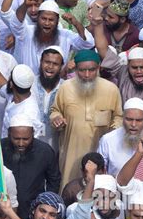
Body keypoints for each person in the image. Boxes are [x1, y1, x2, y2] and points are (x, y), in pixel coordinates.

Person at [50, 49, 123, 188]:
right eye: (82, 70)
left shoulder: (111, 89)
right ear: (76, 69)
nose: (87, 75)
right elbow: (55, 110)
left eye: (92, 70)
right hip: (71, 153)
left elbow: (118, 117)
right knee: (69, 188)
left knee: (98, 191)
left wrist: (113, 133)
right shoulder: (66, 87)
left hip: (99, 153)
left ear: (99, 68)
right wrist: (57, 118)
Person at [1, 115, 61, 219]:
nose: (20, 143)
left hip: (32, 212)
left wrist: (44, 205)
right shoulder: (0, 148)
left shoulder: (45, 151)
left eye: (25, 139)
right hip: (4, 209)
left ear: (32, 134)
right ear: (9, 134)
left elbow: (54, 181)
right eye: (16, 139)